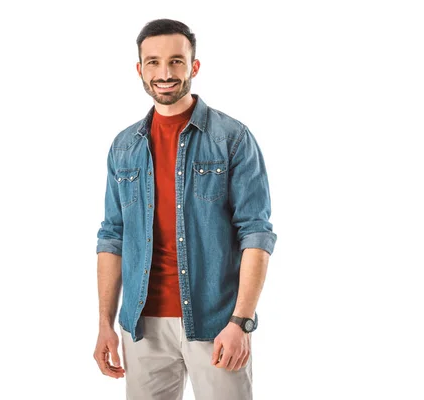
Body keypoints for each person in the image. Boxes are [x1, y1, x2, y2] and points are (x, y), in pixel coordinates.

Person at [92, 18, 277, 400]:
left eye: (176, 61)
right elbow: (112, 236)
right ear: (140, 69)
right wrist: (105, 324)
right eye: (153, 62)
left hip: (216, 323)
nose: (164, 73)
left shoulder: (232, 139)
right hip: (141, 325)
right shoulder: (123, 147)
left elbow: (256, 234)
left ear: (194, 66)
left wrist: (241, 322)